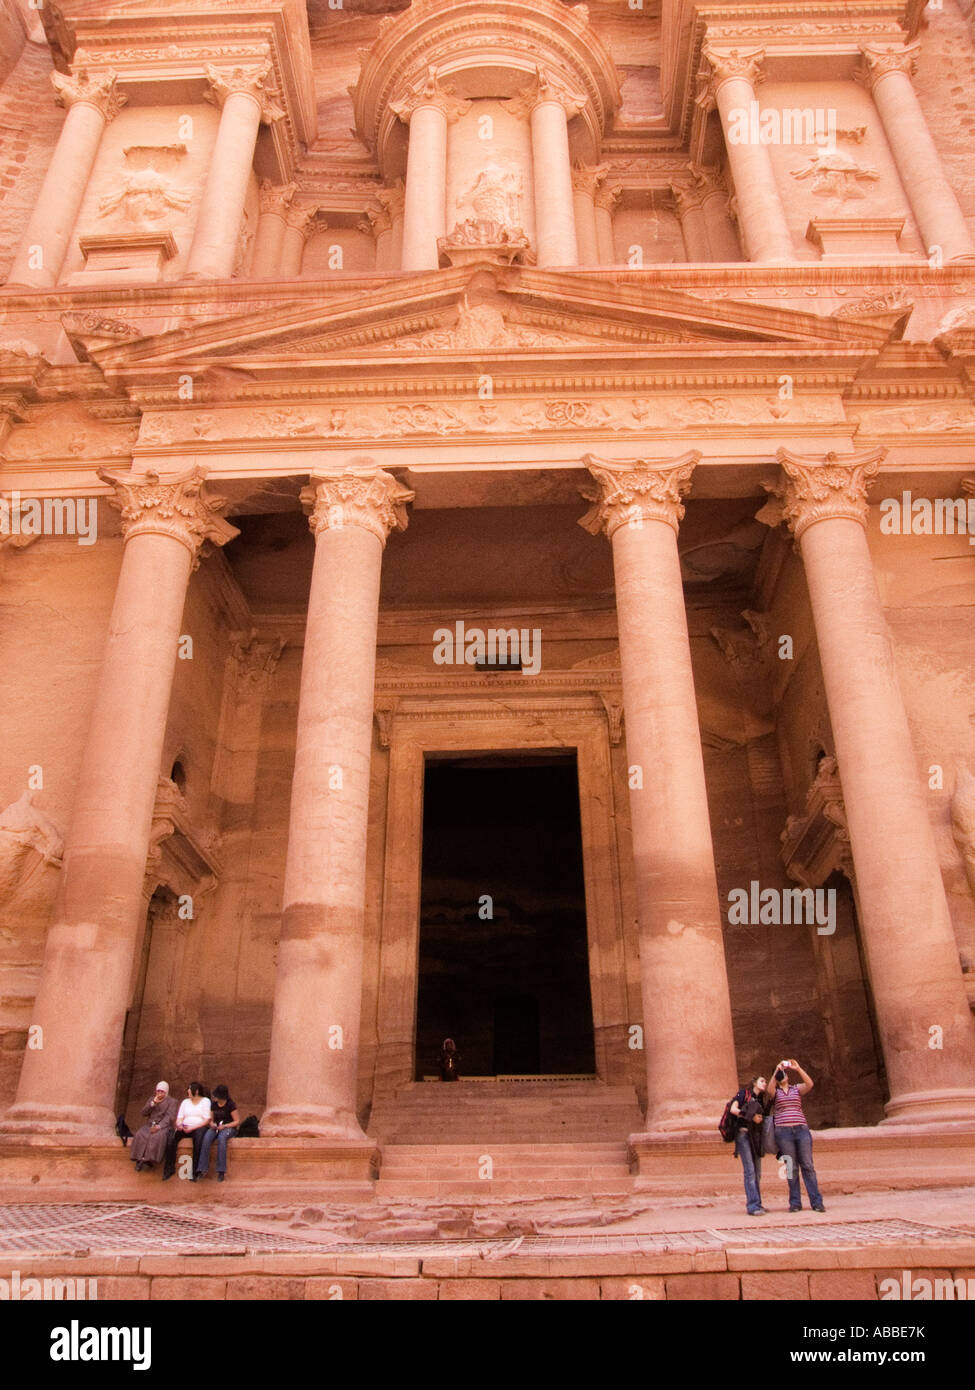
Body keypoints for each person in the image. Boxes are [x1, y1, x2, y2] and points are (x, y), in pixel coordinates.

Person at [766, 1057, 826, 1212]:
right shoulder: (776, 1092)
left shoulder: (796, 1089)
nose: (783, 1075)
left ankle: (816, 1202)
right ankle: (795, 1203)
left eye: (784, 1074)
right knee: (791, 1167)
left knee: (807, 1165)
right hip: (783, 1132)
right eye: (781, 1074)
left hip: (800, 1129)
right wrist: (776, 1071)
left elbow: (810, 1084)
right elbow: (769, 1090)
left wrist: (797, 1068)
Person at [729, 1074, 768, 1216]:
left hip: (755, 1136)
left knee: (757, 1172)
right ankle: (752, 1206)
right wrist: (749, 1116)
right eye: (762, 1081)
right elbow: (733, 1109)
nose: (765, 1083)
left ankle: (757, 1203)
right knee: (750, 1171)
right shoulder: (743, 1094)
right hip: (743, 1134)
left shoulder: (760, 1100)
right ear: (754, 1083)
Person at [162, 1081, 211, 1181]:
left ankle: (195, 1171)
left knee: (198, 1142)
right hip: (185, 1126)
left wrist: (192, 1128)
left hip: (199, 1126)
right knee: (171, 1139)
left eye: (190, 1088)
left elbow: (206, 1120)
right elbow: (180, 1117)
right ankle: (169, 1169)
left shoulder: (205, 1101)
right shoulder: (185, 1102)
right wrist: (179, 1124)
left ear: (196, 1091)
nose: (188, 1091)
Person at [196, 1084, 239, 1183]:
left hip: (228, 1128)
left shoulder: (230, 1105)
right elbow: (211, 1119)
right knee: (206, 1137)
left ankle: (221, 1171)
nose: (214, 1097)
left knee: (222, 1139)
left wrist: (225, 1126)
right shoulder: (214, 1104)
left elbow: (236, 1121)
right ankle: (202, 1168)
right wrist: (212, 1124)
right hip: (216, 1127)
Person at [131, 1082, 178, 1171]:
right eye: (158, 1091)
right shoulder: (152, 1099)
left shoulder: (172, 1102)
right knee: (140, 1134)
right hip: (149, 1125)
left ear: (166, 1092)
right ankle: (139, 1158)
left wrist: (159, 1126)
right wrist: (153, 1103)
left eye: (162, 1091)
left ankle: (149, 1159)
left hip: (164, 1127)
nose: (159, 1093)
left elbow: (170, 1117)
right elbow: (143, 1113)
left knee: (156, 1137)